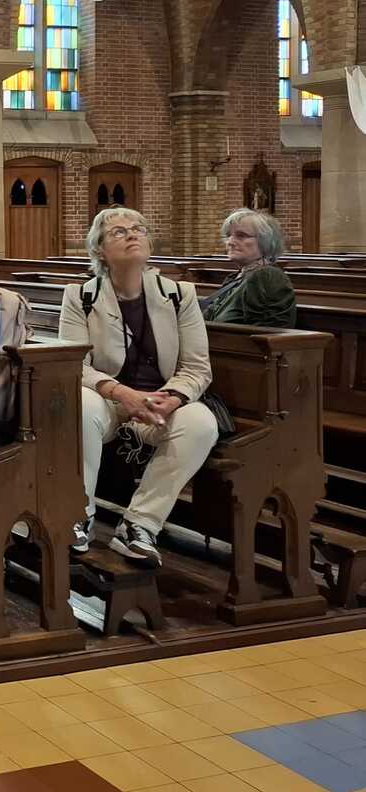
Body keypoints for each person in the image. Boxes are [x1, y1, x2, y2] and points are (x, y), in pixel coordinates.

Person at [59, 207, 217, 567]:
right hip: (107, 402)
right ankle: (79, 515)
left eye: (138, 229)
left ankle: (140, 524)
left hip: (159, 403)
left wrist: (172, 398)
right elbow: (73, 365)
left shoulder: (179, 295)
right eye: (118, 231)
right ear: (99, 250)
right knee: (80, 403)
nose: (132, 234)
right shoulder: (81, 297)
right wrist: (120, 393)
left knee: (202, 423)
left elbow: (196, 367)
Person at [200, 208, 297, 328]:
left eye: (241, 236)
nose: (230, 242)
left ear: (265, 241)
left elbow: (268, 331)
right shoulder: (236, 277)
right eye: (228, 235)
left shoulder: (267, 276)